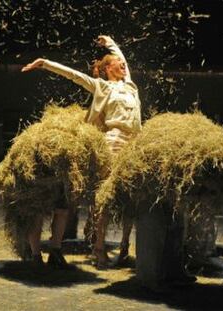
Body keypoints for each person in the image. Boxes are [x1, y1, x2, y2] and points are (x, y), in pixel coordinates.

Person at [22, 35, 142, 269]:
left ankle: (126, 246)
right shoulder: (103, 86)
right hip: (114, 141)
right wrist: (45, 63)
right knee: (105, 197)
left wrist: (111, 43)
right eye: (118, 62)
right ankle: (98, 249)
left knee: (133, 195)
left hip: (135, 143)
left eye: (123, 62)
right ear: (108, 67)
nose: (124, 65)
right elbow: (75, 76)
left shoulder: (130, 85)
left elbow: (123, 58)